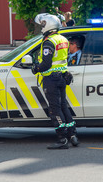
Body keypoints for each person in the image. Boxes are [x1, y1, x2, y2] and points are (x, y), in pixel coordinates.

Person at [32, 13, 80, 149]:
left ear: (47, 25)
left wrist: (36, 68)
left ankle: (62, 139)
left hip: (51, 79)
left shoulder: (49, 41)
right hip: (62, 77)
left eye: (42, 24)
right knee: (64, 106)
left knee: (54, 109)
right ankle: (73, 136)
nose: (41, 27)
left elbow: (46, 63)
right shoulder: (63, 39)